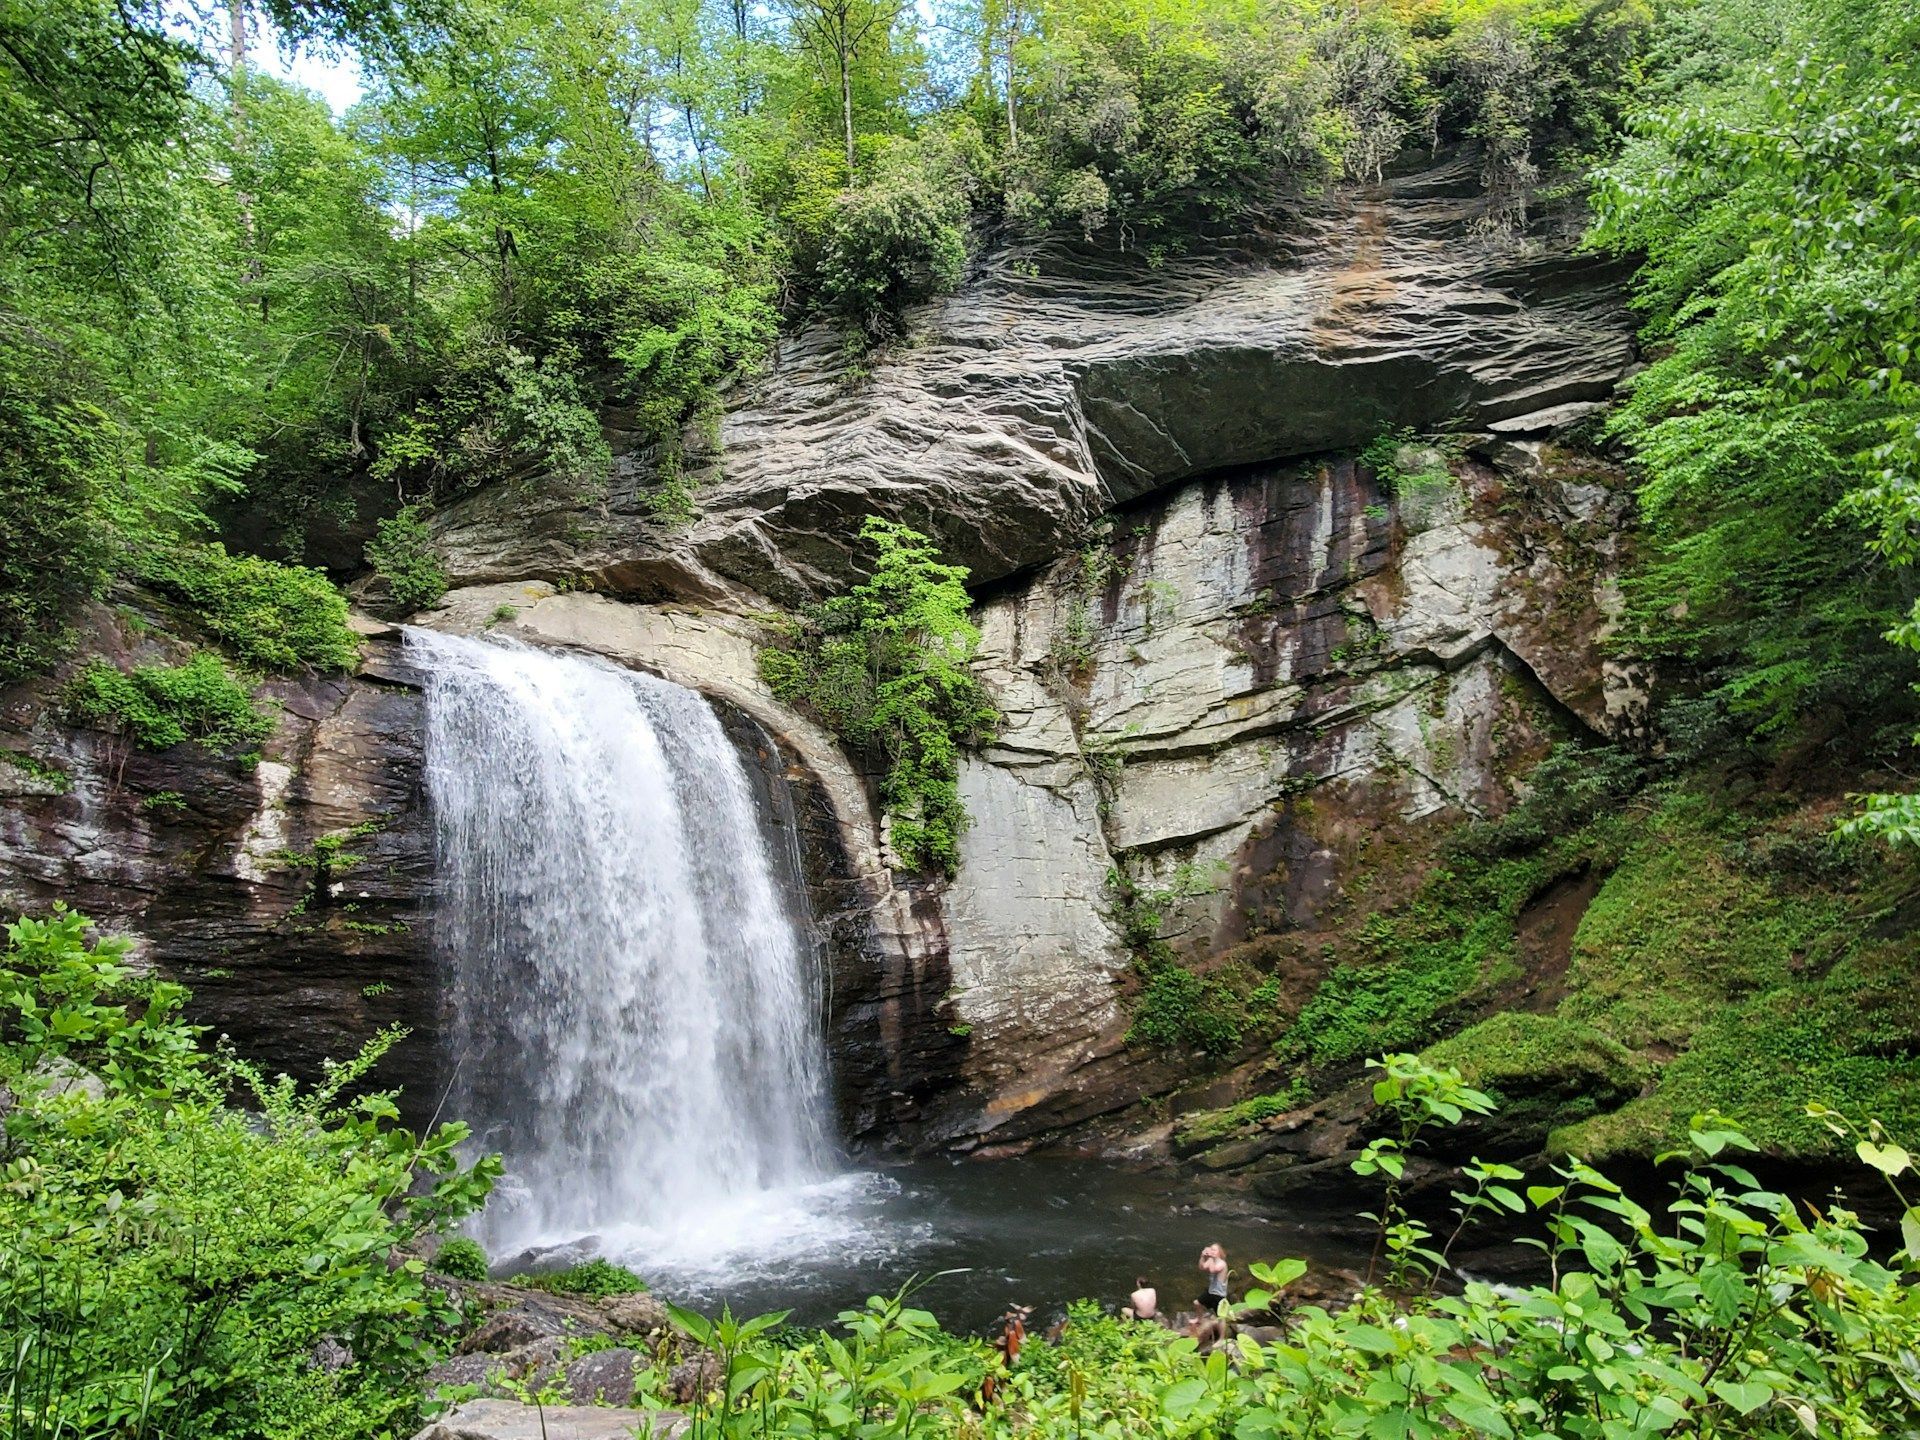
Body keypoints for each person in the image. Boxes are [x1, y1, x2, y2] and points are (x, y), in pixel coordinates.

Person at [1197, 1243, 1229, 1315]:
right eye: (1211, 1249)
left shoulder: (1222, 1263)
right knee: (1197, 1303)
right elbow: (1202, 1267)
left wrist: (1210, 1258)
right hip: (1211, 1291)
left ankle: (1225, 1325)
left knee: (1220, 1315)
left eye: (1214, 1250)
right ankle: (1199, 1320)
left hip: (1219, 1294)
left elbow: (1213, 1270)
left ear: (1219, 1252)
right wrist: (1202, 1256)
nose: (1212, 1251)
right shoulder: (1211, 1260)